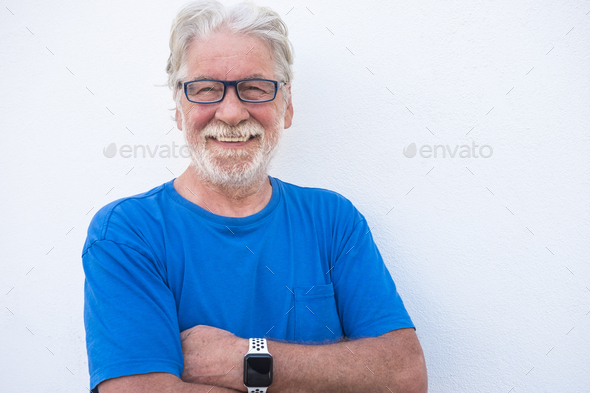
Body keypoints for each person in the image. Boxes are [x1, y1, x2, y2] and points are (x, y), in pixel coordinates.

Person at [82, 1, 427, 392]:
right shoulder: (127, 234)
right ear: (179, 108)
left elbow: (404, 376)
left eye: (255, 88)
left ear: (287, 104)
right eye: (207, 89)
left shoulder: (332, 220)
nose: (231, 113)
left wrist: (245, 359)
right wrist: (330, 372)